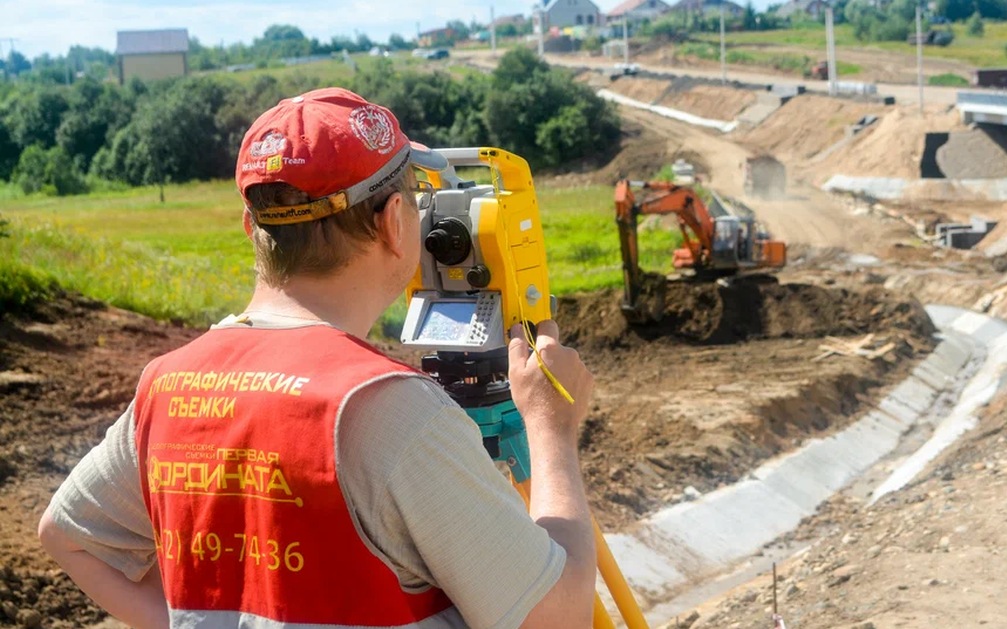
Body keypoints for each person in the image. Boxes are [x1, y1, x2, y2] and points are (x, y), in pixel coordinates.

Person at [38, 87, 597, 629]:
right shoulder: (391, 411)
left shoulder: (165, 384)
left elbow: (67, 535)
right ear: (393, 221)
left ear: (250, 228)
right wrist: (551, 426)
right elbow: (559, 618)